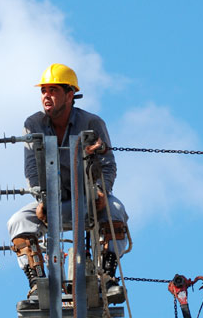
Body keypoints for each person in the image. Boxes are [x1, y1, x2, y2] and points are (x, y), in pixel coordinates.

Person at [8, 63, 129, 303]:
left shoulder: (92, 123)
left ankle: (107, 277)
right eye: (44, 91)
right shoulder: (33, 124)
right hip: (52, 202)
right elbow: (32, 168)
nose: (46, 96)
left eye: (53, 90)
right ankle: (38, 282)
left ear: (70, 95)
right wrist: (41, 200)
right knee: (18, 221)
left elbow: (108, 164)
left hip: (89, 200)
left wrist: (102, 193)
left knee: (116, 211)